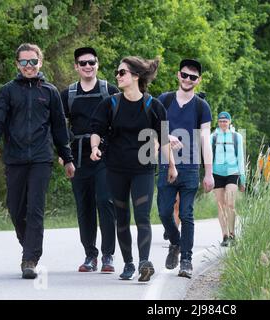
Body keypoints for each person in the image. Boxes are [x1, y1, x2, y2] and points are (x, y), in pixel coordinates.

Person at [0, 43, 75, 279]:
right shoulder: (8, 91)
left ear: (40, 63)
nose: (29, 66)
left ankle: (30, 259)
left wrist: (67, 158)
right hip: (14, 158)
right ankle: (29, 245)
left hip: (40, 159)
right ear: (17, 64)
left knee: (35, 209)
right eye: (24, 62)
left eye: (33, 61)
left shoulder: (50, 92)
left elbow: (59, 128)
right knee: (16, 209)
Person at [90, 56, 177, 282]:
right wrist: (94, 148)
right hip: (116, 169)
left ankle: (143, 263)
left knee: (142, 217)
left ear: (136, 76)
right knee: (122, 217)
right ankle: (128, 263)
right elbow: (97, 129)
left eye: (122, 73)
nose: (117, 76)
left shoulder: (154, 106)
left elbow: (164, 138)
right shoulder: (110, 104)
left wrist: (172, 166)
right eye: (117, 73)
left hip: (144, 169)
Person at [60, 47, 118, 273]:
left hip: (105, 156)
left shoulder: (110, 91)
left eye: (91, 62)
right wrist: (63, 155)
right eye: (82, 63)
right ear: (76, 66)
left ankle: (108, 256)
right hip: (78, 156)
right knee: (84, 206)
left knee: (105, 202)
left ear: (97, 64)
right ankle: (90, 255)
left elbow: (120, 122)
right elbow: (59, 127)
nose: (87, 66)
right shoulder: (68, 94)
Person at [157, 58, 214, 279]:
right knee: (163, 212)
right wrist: (167, 136)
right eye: (184, 75)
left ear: (198, 81)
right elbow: (154, 130)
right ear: (178, 75)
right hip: (166, 164)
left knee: (187, 214)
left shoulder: (202, 106)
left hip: (190, 168)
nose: (187, 79)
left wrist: (208, 173)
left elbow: (205, 140)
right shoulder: (164, 100)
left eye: (192, 77)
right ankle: (175, 242)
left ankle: (187, 261)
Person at [211, 111, 246, 247]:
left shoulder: (237, 137)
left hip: (233, 172)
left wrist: (242, 179)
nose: (223, 123)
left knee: (230, 204)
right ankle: (225, 236)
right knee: (221, 206)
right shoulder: (212, 137)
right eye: (220, 121)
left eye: (225, 121)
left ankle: (233, 234)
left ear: (230, 122)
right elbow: (208, 157)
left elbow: (241, 159)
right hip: (217, 173)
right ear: (218, 122)